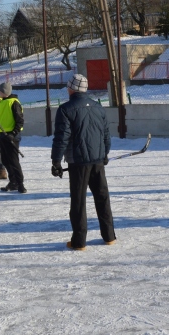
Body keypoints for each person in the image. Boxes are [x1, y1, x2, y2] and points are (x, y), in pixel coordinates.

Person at [51, 74, 116, 251]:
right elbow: (106, 135)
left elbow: (61, 138)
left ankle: (79, 241)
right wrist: (104, 153)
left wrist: (56, 161)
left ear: (71, 88)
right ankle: (109, 236)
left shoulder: (65, 109)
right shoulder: (98, 107)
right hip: (97, 160)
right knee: (102, 198)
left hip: (78, 162)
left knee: (78, 202)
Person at [0, 82, 26, 194]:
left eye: (0, 91)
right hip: (3, 134)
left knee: (13, 160)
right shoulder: (2, 102)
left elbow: (20, 121)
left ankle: (20, 184)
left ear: (5, 92)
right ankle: (13, 182)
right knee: (5, 160)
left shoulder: (14, 103)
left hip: (12, 135)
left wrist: (13, 134)